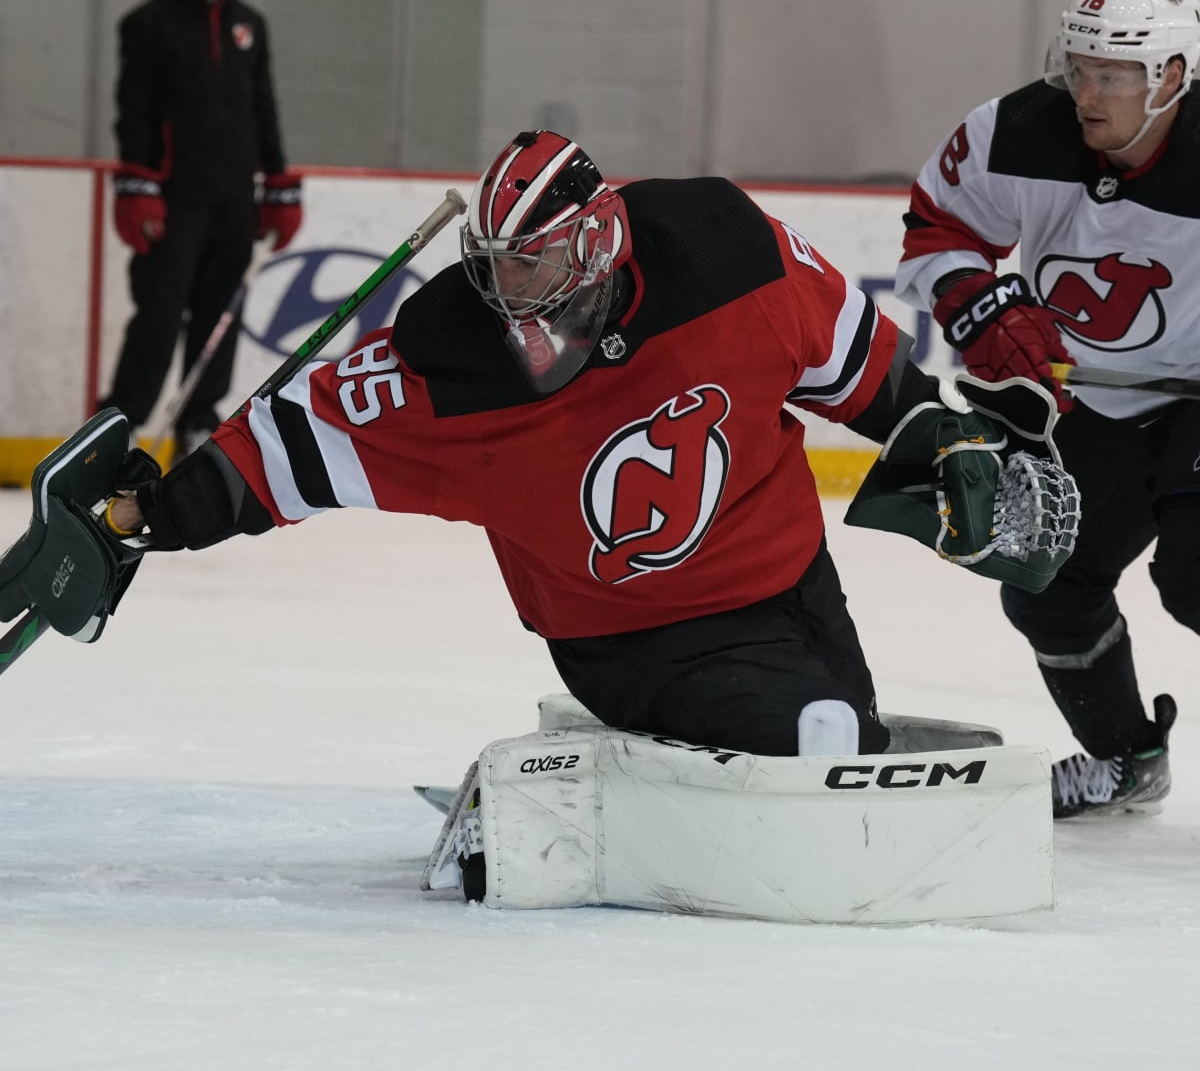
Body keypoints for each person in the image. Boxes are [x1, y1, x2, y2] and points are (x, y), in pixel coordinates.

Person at [91, 130, 1069, 761]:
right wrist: (145, 514)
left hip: (791, 584)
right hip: (624, 640)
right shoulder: (451, 361)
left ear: (599, 240)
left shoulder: (727, 253)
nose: (513, 291)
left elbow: (856, 365)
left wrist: (942, 434)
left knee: (838, 729)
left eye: (537, 263)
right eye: (500, 267)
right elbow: (287, 447)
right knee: (828, 740)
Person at [894, 0, 1200, 817]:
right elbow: (937, 230)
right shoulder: (1014, 132)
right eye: (1079, 67)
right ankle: (1124, 756)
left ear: (1172, 76)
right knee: (1046, 583)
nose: (1087, 94)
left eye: (1114, 75)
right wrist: (981, 308)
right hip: (1098, 400)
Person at [98, 0, 302, 460]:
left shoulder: (249, 26)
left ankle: (197, 423)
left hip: (235, 201)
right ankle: (117, 425)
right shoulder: (148, 24)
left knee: (219, 319)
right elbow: (132, 111)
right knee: (159, 318)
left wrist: (278, 187)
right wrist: (138, 189)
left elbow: (265, 109)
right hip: (174, 201)